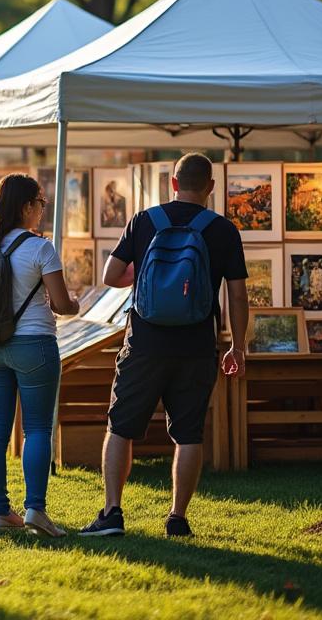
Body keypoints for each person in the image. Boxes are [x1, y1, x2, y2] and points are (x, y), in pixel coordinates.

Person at [82, 153, 248, 538]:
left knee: (121, 427)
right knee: (189, 433)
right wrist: (236, 347)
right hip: (197, 346)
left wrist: (147, 275)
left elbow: (111, 276)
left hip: (144, 343)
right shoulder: (223, 230)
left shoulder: (145, 220)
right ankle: (177, 518)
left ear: (173, 183)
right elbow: (237, 297)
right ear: (210, 187)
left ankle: (111, 514)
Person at [0, 174, 78, 537]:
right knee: (38, 428)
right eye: (40, 203)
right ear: (26, 206)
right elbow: (62, 304)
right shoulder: (41, 248)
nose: (42, 211)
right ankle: (35, 511)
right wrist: (76, 302)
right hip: (34, 345)